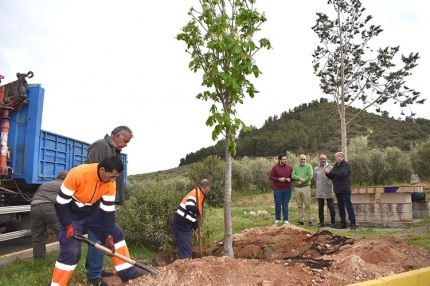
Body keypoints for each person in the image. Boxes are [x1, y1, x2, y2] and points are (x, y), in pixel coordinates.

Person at [48, 156, 147, 286]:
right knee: (72, 252)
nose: (113, 180)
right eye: (111, 176)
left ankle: (127, 273)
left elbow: (107, 211)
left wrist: (109, 236)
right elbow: (60, 203)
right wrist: (67, 225)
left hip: (92, 211)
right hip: (72, 213)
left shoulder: (110, 183)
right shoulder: (78, 174)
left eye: (115, 177)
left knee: (117, 234)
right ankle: (56, 284)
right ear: (102, 170)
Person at [84, 126, 133, 285]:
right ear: (117, 136)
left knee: (100, 235)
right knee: (98, 237)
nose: (126, 144)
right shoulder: (101, 146)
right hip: (96, 200)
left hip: (105, 199)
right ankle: (94, 276)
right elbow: (89, 169)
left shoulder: (114, 151)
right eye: (125, 141)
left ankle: (93, 268)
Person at [30, 170, 68, 260]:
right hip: (50, 206)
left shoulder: (45, 184)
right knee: (62, 234)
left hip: (35, 206)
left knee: (37, 235)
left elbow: (36, 196)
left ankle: (38, 260)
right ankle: (66, 258)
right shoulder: (65, 185)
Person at [172, 179, 211, 259]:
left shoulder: (199, 194)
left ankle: (185, 265)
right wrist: (198, 212)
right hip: (181, 226)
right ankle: (185, 268)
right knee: (186, 251)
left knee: (187, 249)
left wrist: (196, 228)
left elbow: (191, 216)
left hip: (184, 225)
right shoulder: (195, 194)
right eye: (208, 188)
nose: (208, 190)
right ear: (206, 187)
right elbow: (189, 206)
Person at [324, 152, 356, 230]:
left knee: (348, 206)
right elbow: (333, 176)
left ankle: (353, 223)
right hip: (337, 189)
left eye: (336, 157)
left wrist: (330, 172)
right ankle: (343, 223)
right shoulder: (336, 165)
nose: (335, 158)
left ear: (341, 157)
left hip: (345, 189)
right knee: (340, 207)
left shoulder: (346, 165)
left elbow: (342, 174)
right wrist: (327, 173)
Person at [269, 154, 293, 224]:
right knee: (278, 204)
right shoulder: (275, 168)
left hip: (287, 189)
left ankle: (286, 219)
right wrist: (279, 179)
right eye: (284, 159)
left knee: (285, 204)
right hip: (278, 189)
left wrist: (290, 179)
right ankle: (278, 219)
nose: (285, 160)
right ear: (280, 160)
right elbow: (271, 177)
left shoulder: (289, 168)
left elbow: (293, 177)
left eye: (286, 159)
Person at [313, 155, 336, 228]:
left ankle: (333, 222)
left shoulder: (331, 168)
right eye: (321, 159)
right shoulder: (316, 169)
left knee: (331, 207)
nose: (323, 160)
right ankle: (321, 222)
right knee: (320, 207)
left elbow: (333, 178)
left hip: (328, 190)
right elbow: (315, 178)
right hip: (320, 190)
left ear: (326, 159)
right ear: (319, 159)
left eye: (324, 159)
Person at [292, 154, 314, 226]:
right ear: (299, 159)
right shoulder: (295, 167)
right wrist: (299, 178)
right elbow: (293, 175)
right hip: (297, 188)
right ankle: (301, 219)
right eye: (302, 159)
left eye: (304, 159)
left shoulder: (309, 166)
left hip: (305, 187)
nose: (303, 160)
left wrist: (302, 181)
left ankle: (310, 219)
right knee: (299, 204)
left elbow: (310, 175)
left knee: (308, 204)